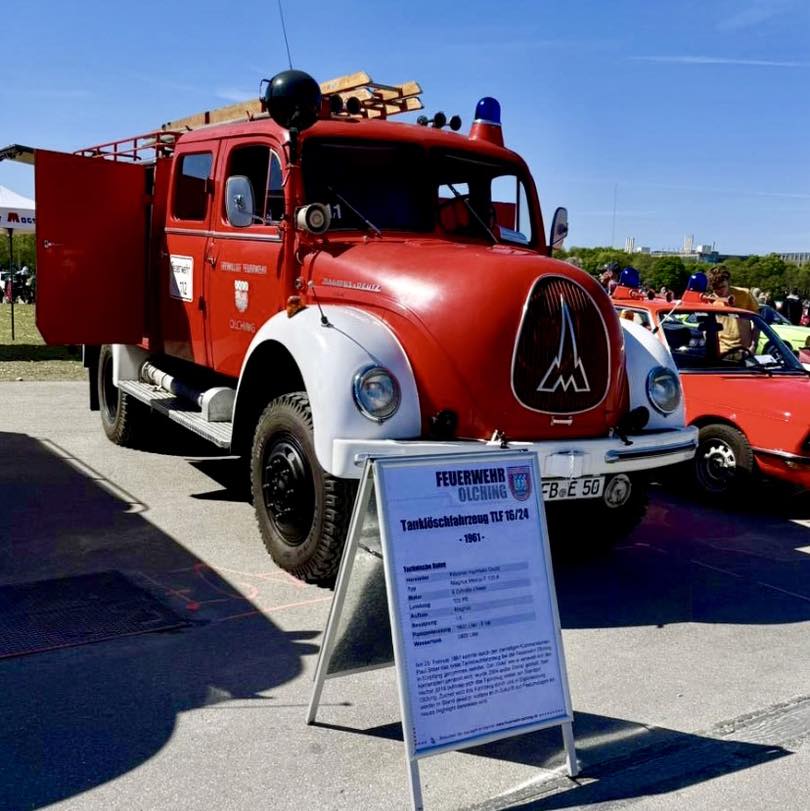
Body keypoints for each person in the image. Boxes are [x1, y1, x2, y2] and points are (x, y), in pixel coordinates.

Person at [706, 265, 758, 356]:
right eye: (716, 289)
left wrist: (753, 345)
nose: (720, 291)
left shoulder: (744, 294)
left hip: (745, 349)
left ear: (728, 282)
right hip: (721, 350)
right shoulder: (709, 300)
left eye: (722, 287)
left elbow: (757, 322)